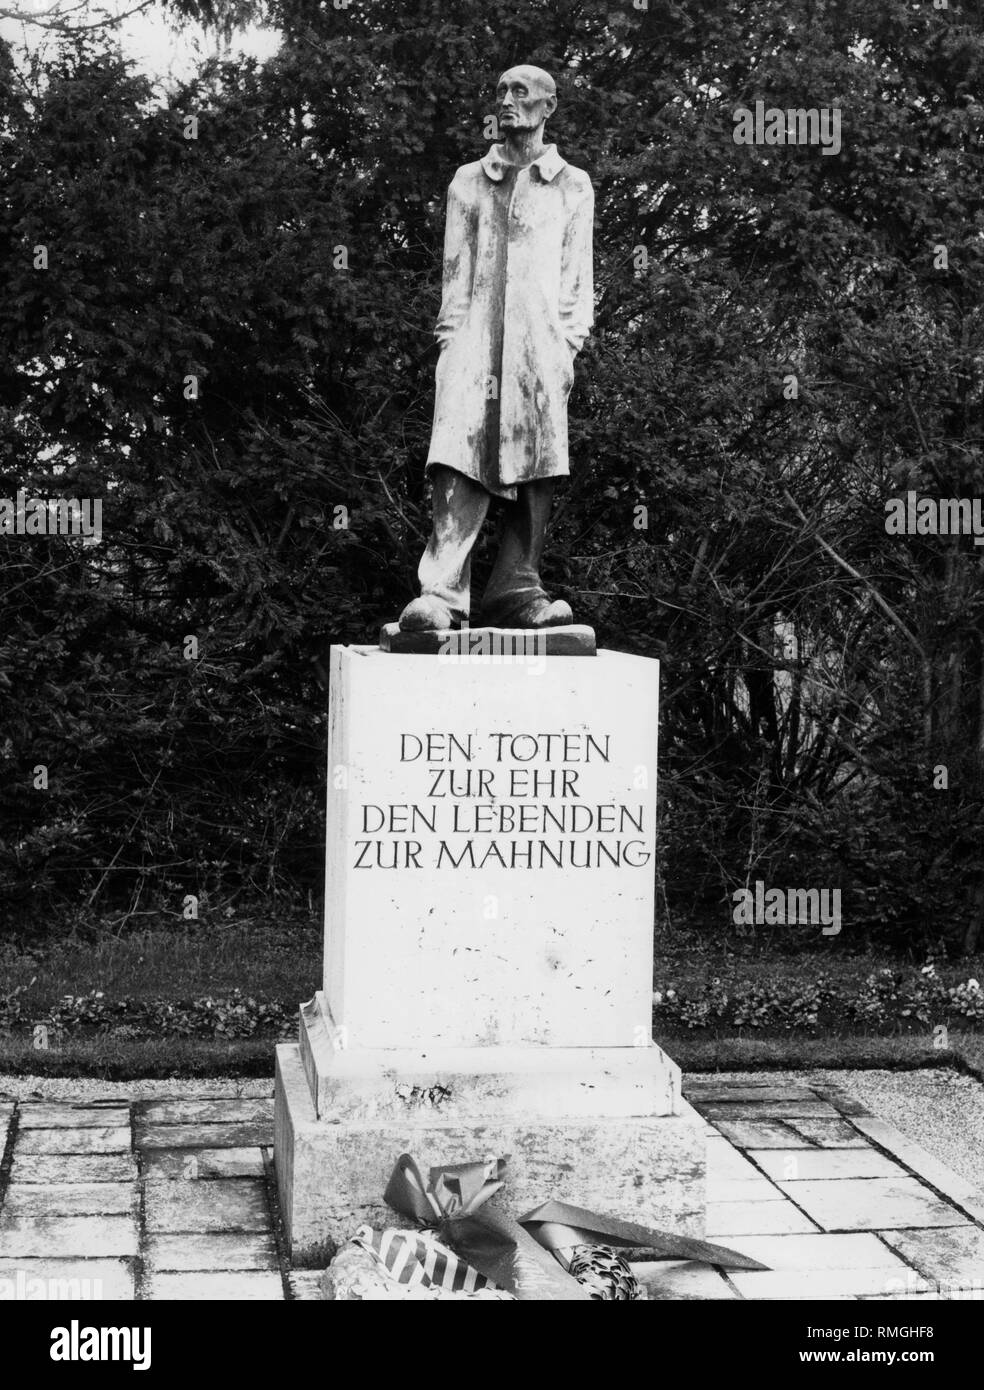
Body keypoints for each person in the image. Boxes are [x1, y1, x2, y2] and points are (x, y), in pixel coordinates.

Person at [399, 64, 594, 632]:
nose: (507, 101)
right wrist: (450, 348)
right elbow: (454, 279)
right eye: (503, 92)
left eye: (521, 93)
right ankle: (440, 594)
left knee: (538, 461)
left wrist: (563, 349)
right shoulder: (469, 180)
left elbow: (576, 282)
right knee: (456, 455)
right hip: (472, 343)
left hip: (541, 345)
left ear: (547, 107)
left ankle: (517, 588)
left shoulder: (572, 184)